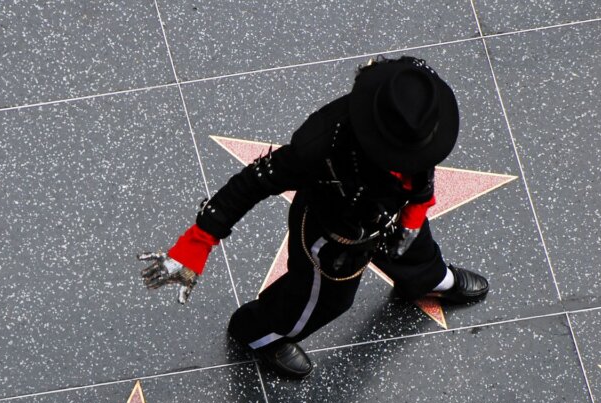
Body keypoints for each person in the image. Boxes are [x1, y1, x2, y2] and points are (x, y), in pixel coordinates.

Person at [140, 56, 489, 378]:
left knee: (415, 248)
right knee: (322, 302)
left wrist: (413, 216)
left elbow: (420, 173)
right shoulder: (318, 146)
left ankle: (425, 279)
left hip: (390, 214)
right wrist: (196, 244)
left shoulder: (418, 115)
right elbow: (255, 181)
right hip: (334, 236)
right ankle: (259, 333)